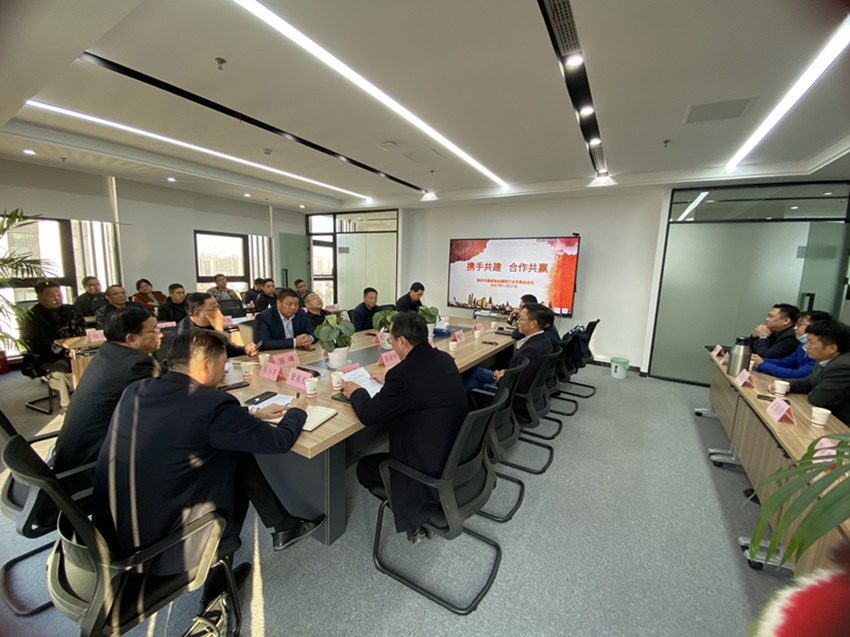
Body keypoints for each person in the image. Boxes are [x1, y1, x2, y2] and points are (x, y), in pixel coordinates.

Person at [93, 328, 324, 590]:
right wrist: (297, 411)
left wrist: (251, 413)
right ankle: (218, 590)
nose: (225, 371)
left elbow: (186, 418)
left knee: (232, 448)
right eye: (223, 364)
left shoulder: (136, 389)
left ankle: (283, 524)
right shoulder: (213, 403)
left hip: (110, 533)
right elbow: (279, 442)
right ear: (205, 366)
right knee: (230, 461)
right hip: (161, 545)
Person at [342, 311, 468, 541]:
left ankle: (413, 516)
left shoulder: (402, 375)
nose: (391, 345)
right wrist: (390, 382)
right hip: (455, 453)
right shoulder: (444, 359)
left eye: (391, 340)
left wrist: (356, 392)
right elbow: (421, 385)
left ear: (402, 341)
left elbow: (368, 414)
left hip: (425, 470)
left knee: (365, 468)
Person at [52, 307, 161, 476]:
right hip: (94, 466)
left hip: (72, 457)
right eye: (154, 330)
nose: (160, 335)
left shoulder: (108, 352)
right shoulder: (136, 364)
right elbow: (165, 401)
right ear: (131, 338)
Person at [463, 303, 555, 398]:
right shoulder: (544, 342)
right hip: (514, 383)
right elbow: (523, 373)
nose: (517, 322)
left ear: (533, 324)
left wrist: (501, 378)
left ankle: (463, 402)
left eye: (520, 318)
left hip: (508, 395)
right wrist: (505, 372)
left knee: (473, 380)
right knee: (477, 372)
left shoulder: (531, 350)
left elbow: (518, 384)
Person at [20, 280, 86, 408]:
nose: (57, 298)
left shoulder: (71, 310)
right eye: (51, 295)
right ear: (39, 298)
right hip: (49, 356)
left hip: (76, 353)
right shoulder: (32, 316)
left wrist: (77, 349)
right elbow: (38, 342)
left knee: (98, 366)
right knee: (58, 375)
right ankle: (67, 408)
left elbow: (81, 333)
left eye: (58, 294)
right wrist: (64, 352)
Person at [772, 320, 850, 424]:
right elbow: (810, 381)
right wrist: (788, 385)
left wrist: (811, 391)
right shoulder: (826, 359)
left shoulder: (843, 366)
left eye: (811, 343)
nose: (806, 346)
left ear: (832, 348)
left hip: (840, 425)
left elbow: (819, 398)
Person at [751, 310, 832, 379]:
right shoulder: (802, 346)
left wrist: (762, 365)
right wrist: (756, 360)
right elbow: (784, 362)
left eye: (800, 325)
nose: (795, 328)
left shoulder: (821, 351)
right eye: (796, 324)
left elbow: (798, 374)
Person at [176, 292, 258, 358]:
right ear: (198, 314)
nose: (219, 312)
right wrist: (218, 330)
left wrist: (244, 349)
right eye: (214, 309)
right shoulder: (183, 333)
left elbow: (226, 348)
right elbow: (211, 354)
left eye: (217, 307)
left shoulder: (208, 323)